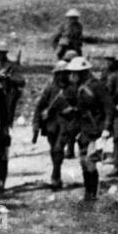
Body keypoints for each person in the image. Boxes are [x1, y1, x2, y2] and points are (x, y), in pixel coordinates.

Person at [61, 57, 110, 202]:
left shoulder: (97, 86)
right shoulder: (77, 88)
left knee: (90, 161)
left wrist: (106, 128)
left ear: (82, 73)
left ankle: (93, 193)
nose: (71, 76)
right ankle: (88, 192)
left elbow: (109, 108)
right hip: (83, 130)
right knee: (83, 161)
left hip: (96, 129)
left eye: (74, 73)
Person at [32, 60, 70, 190]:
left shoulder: (72, 88)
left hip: (66, 123)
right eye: (61, 73)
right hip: (51, 125)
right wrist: (36, 125)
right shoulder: (50, 88)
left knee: (59, 148)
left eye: (66, 73)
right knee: (54, 149)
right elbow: (39, 106)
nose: (63, 76)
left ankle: (55, 176)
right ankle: (56, 172)